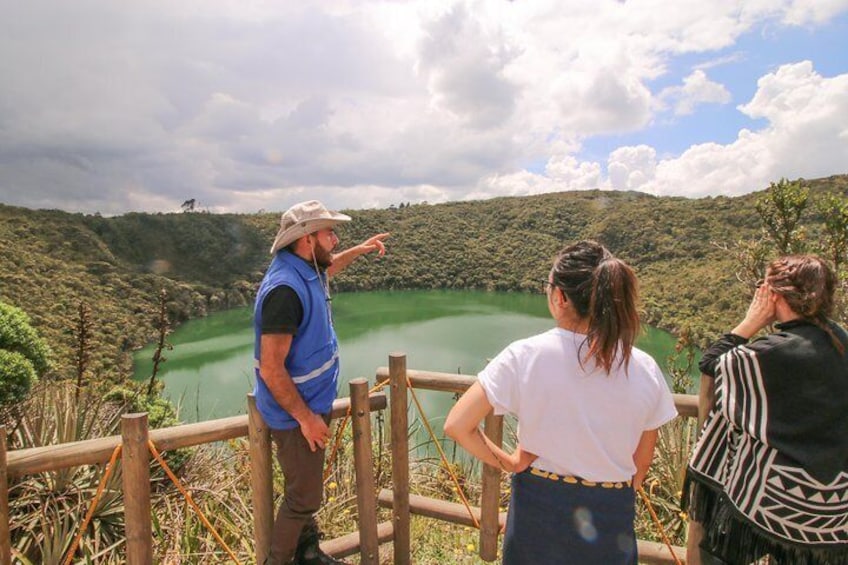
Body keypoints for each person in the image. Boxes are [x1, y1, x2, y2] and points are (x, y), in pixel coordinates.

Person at [444, 240, 677, 565]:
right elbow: (640, 467)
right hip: (611, 515)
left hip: (538, 511)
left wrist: (509, 463)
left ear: (560, 297)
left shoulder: (524, 355)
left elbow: (457, 425)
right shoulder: (644, 366)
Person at [684, 254, 848, 565]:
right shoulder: (840, 340)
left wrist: (749, 323)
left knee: (712, 546)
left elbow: (713, 365)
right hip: (835, 509)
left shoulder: (772, 352)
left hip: (778, 498)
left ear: (774, 295)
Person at [253, 200, 388, 565]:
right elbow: (271, 369)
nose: (335, 238)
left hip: (309, 404)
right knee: (303, 498)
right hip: (295, 413)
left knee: (305, 488)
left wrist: (358, 251)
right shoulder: (284, 289)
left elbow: (331, 268)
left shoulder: (306, 268)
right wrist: (306, 418)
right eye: (329, 233)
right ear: (307, 239)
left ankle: (308, 554)